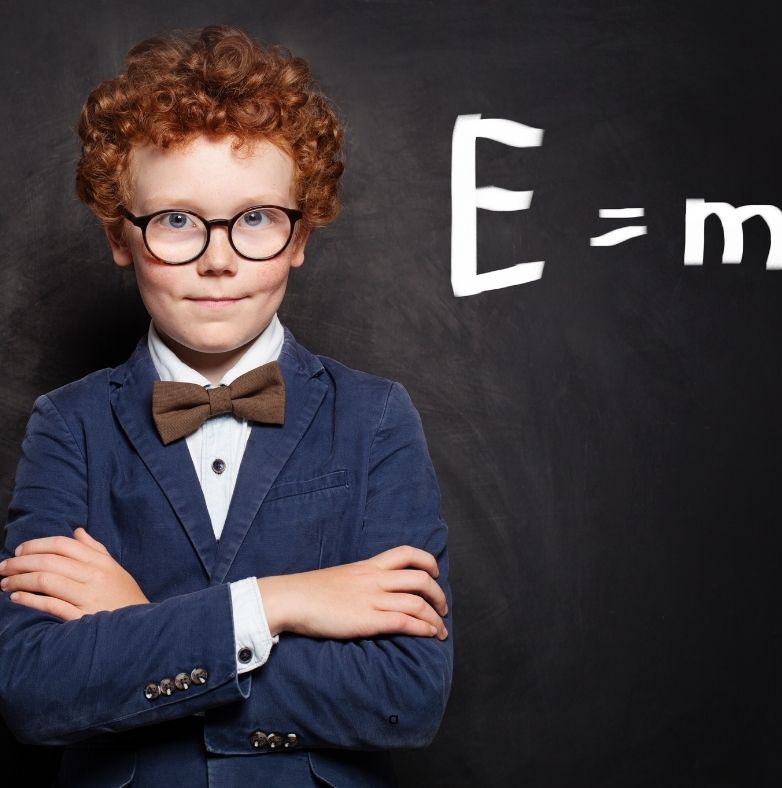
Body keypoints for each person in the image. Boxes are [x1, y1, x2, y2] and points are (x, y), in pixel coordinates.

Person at [0, 24, 452, 787]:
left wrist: (141, 626)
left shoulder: (376, 417)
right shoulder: (68, 424)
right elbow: (36, 689)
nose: (217, 258)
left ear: (300, 235)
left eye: (255, 220)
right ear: (120, 234)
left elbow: (406, 696)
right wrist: (276, 604)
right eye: (175, 220)